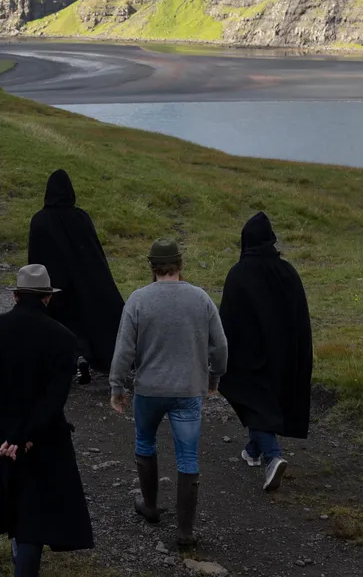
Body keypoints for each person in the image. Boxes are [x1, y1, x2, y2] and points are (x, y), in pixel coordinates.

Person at [0, 264, 94, 576]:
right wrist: (24, 434)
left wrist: (8, 432)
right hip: (43, 434)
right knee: (34, 508)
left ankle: (19, 554)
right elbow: (54, 398)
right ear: (47, 298)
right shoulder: (62, 338)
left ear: (15, 295)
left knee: (13, 494)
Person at [109, 238, 227, 549]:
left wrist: (117, 386)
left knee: (145, 441)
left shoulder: (138, 300)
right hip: (188, 390)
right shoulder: (200, 298)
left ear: (152, 266)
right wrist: (214, 378)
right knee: (187, 456)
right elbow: (221, 347)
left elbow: (124, 350)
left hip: (149, 390)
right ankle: (185, 531)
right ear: (180, 265)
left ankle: (150, 506)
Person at [218, 212, 314, 493]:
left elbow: (227, 319)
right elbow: (301, 317)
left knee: (250, 398)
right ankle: (253, 450)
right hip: (284, 354)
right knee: (262, 402)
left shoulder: (239, 273)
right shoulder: (288, 271)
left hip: (248, 357)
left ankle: (272, 456)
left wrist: (218, 358)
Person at [27, 169, 125, 384]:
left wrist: (34, 288)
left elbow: (34, 258)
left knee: (60, 324)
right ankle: (95, 358)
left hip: (55, 286)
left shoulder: (40, 220)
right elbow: (95, 252)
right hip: (85, 281)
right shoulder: (80, 217)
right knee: (89, 321)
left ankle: (72, 359)